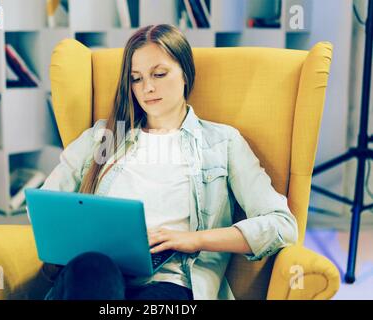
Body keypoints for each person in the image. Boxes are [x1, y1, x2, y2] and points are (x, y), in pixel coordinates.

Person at [38, 24, 298, 300]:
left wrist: (193, 240)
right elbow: (44, 207)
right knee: (94, 268)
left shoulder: (223, 142)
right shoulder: (104, 137)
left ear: (185, 73)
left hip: (173, 279)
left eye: (159, 74)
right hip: (98, 274)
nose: (147, 88)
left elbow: (282, 225)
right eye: (136, 79)